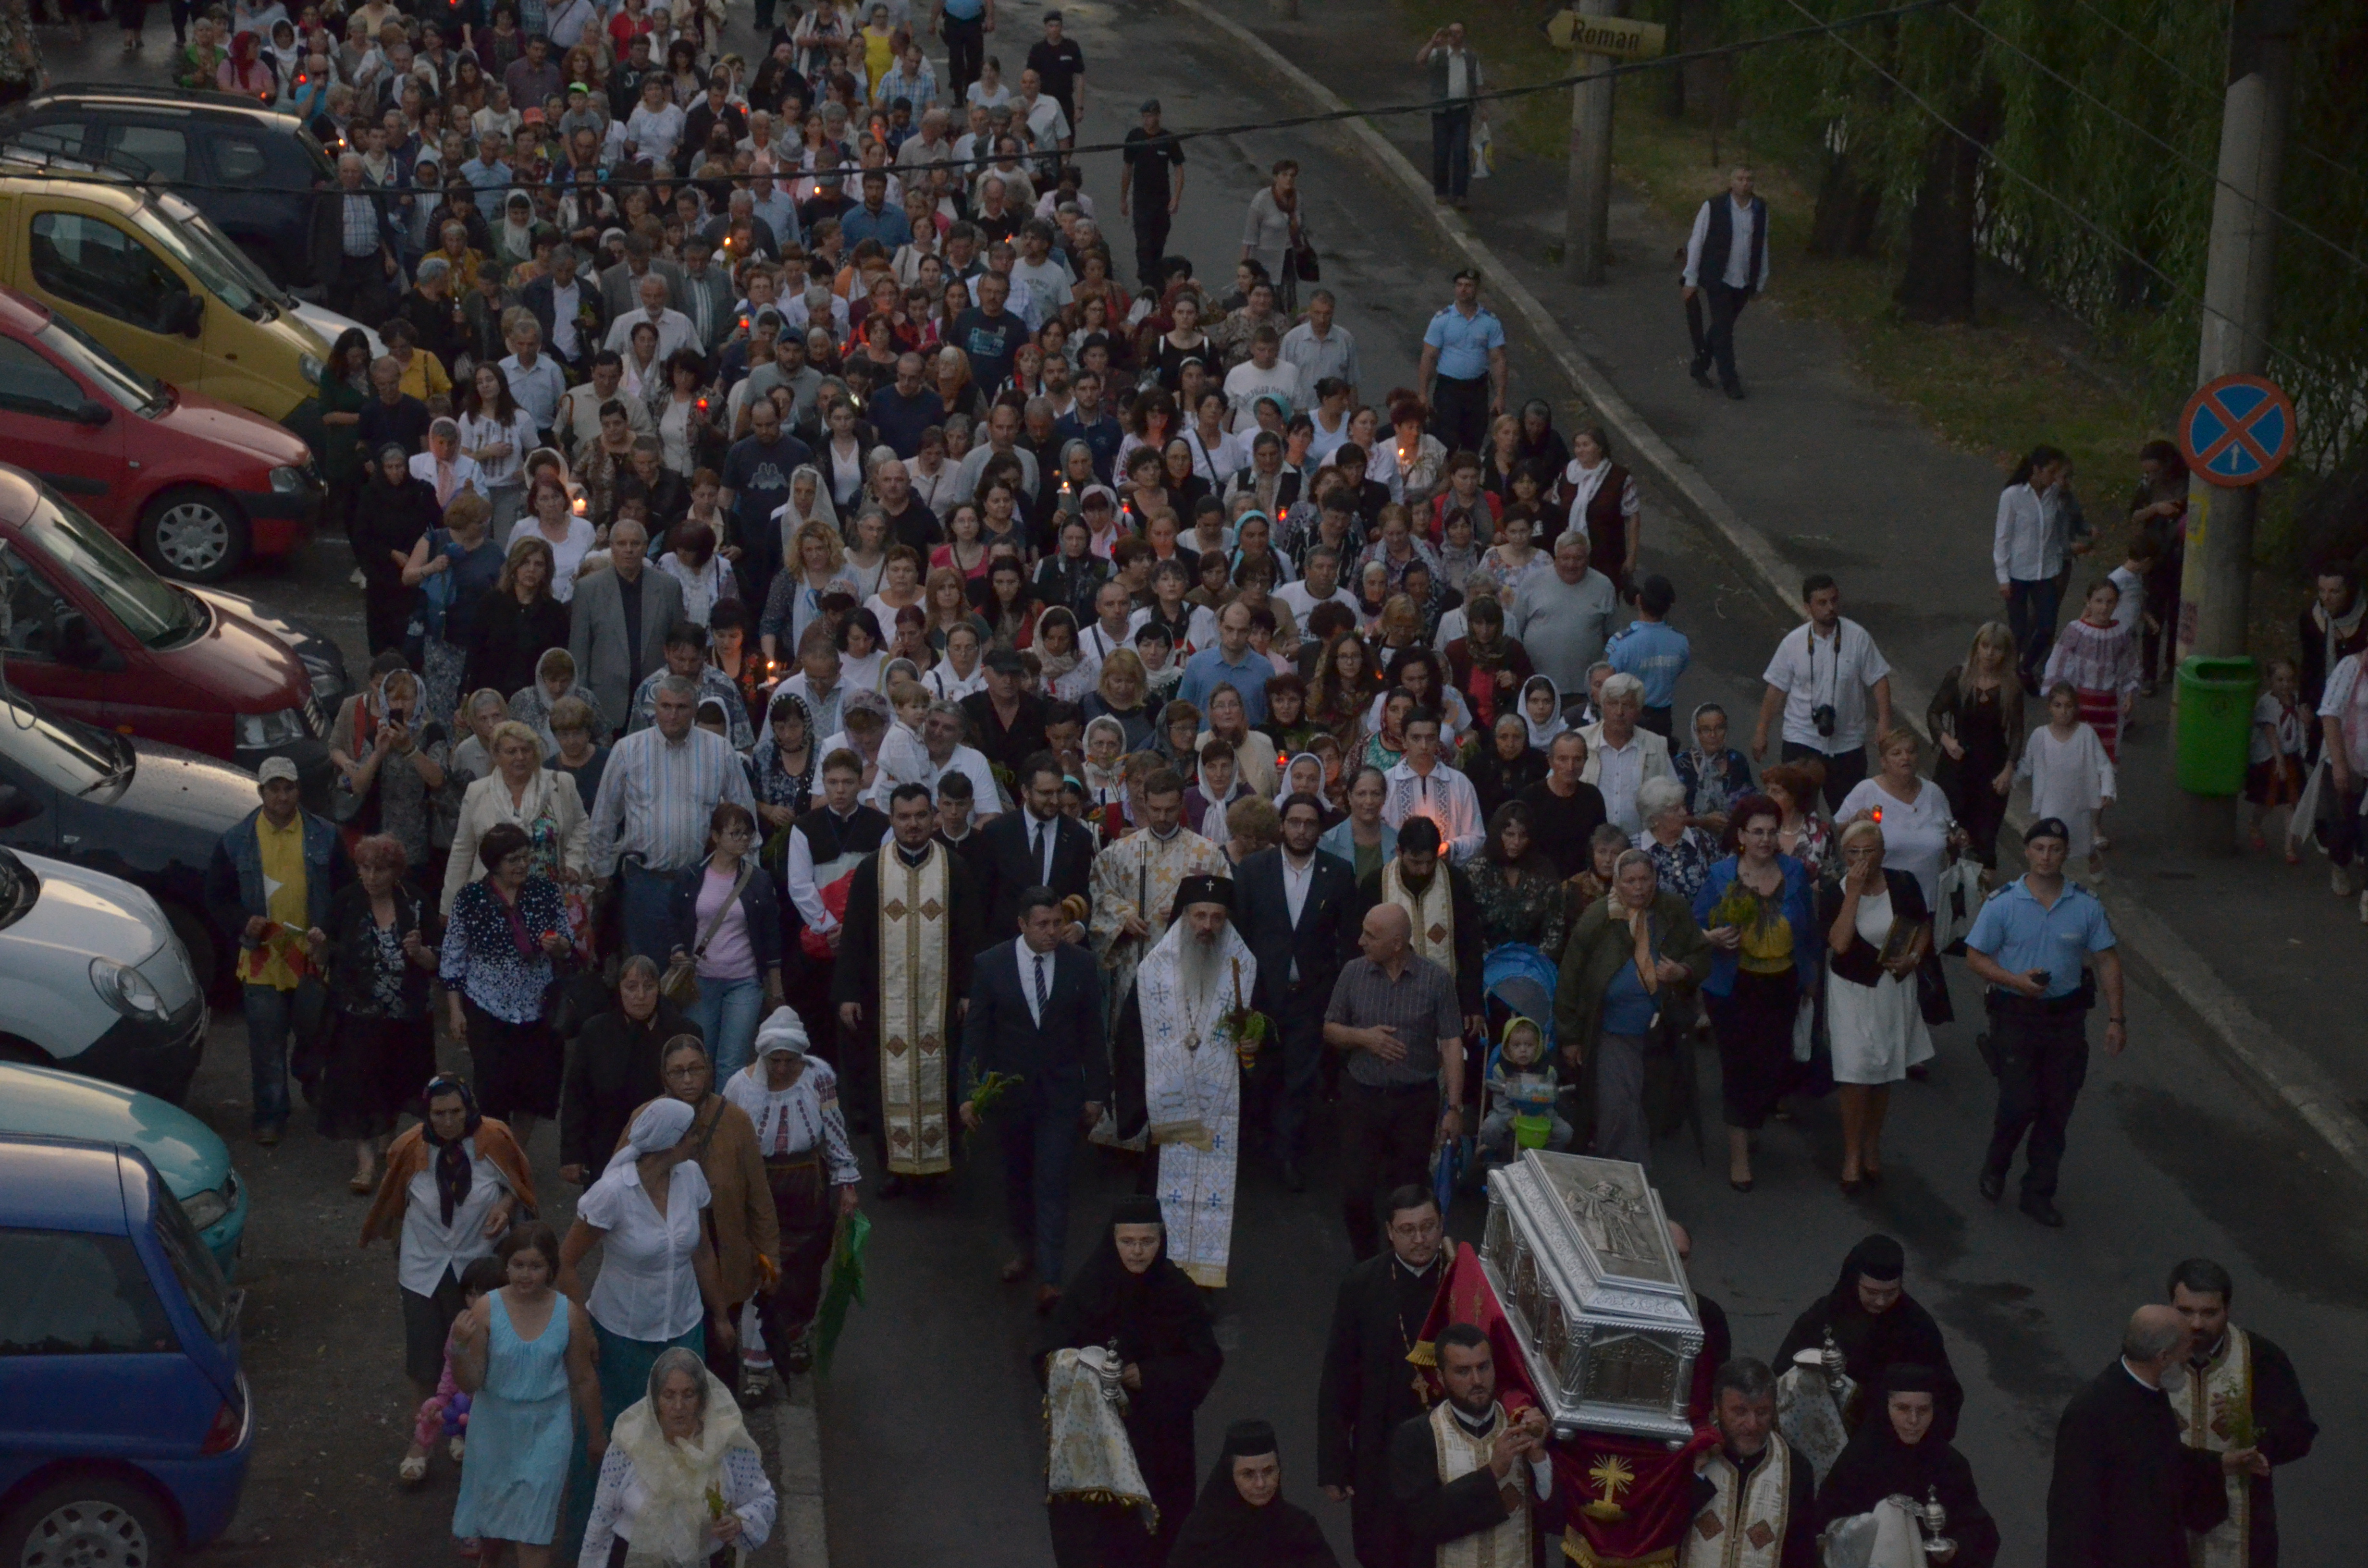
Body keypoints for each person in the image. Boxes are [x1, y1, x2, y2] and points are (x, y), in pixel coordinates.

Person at [557, 1097, 740, 1552]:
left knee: (681, 1438)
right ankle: (590, 1543)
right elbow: (564, 1263)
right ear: (669, 1144)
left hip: (682, 1329)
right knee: (611, 1444)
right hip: (622, 1335)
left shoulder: (690, 1178)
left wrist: (719, 1315)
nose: (699, 1140)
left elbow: (701, 1251)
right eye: (692, 1134)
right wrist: (585, 1327)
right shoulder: (612, 1192)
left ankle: (668, 1543)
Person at [359, 1076, 533, 1482]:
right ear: (427, 1114)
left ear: (469, 1107)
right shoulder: (410, 1147)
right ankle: (423, 1439)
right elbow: (393, 1199)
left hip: (476, 1267)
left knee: (475, 1355)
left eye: (457, 1111)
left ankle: (467, 1428)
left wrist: (505, 1209)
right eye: (440, 1114)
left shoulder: (495, 1140)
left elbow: (519, 1187)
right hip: (424, 1268)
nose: (450, 1122)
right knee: (423, 1360)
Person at [1037, 1197, 1224, 1567]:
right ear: (1113, 1241)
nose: (1137, 1252)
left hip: (1160, 1440)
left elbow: (1205, 1360)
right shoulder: (1090, 1286)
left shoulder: (1177, 1291)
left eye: (1147, 1242)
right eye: (1128, 1242)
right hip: (1099, 1441)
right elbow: (1047, 1354)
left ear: (1162, 1241)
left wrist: (1151, 1376)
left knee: (1158, 1537)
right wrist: (1086, 1368)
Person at [1964, 816, 2124, 1227]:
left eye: (2054, 849)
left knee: (2056, 1111)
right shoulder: (2003, 904)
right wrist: (2014, 980)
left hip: (2064, 1020)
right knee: (2018, 1105)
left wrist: (2116, 1018)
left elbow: (2106, 960)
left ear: (2065, 853)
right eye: (2039, 849)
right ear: (2027, 851)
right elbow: (1976, 957)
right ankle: (1996, 1166)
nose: (2046, 857)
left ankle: (2038, 1192)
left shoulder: (2085, 907)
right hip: (2016, 1016)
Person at [833, 784, 985, 1194]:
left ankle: (940, 1167)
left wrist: (970, 991)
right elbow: (854, 936)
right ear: (891, 819)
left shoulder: (953, 867)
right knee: (888, 1080)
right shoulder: (873, 870)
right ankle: (894, 1168)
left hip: (941, 1000)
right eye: (904, 817)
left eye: (920, 816)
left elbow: (970, 934)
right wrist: (848, 992)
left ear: (934, 817)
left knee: (944, 1074)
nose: (913, 825)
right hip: (886, 1002)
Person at [962, 885, 1107, 1309]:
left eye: (1057, 923)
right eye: (1042, 924)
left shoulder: (1080, 965)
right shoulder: (992, 965)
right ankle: (1025, 1248)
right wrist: (969, 1095)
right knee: (1018, 1179)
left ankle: (1051, 1275)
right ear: (1022, 925)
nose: (1051, 932)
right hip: (1011, 1096)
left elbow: (1093, 1035)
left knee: (1054, 1181)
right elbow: (976, 1036)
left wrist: (1097, 1093)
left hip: (1061, 1094)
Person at [1108, 875, 1257, 1287]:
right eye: (1199, 915)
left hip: (1217, 1115)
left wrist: (1252, 1046)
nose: (1206, 926)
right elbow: (1131, 1041)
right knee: (1156, 1199)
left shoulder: (1244, 969)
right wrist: (1143, 1104)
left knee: (1212, 1201)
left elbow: (1261, 1037)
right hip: (1167, 1116)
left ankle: (1201, 1280)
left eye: (1216, 917)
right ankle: (1155, 1276)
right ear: (1184, 917)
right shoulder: (1154, 970)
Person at [206, 756, 351, 1146]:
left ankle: (309, 1078)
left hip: (311, 962)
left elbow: (346, 892)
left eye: (288, 788)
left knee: (316, 1034)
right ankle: (270, 1114)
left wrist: (332, 934)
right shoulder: (236, 840)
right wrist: (242, 921)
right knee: (266, 1044)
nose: (281, 796)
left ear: (298, 791)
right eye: (274, 789)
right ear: (261, 792)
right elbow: (216, 898)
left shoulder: (325, 835)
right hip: (261, 963)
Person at [629, 1036, 780, 1398]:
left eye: (696, 1069)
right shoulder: (646, 1119)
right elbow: (621, 1186)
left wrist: (770, 1259)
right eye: (677, 1072)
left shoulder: (736, 1122)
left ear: (710, 1072)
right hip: (666, 1266)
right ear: (664, 1078)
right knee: (667, 1367)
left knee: (721, 1358)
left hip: (723, 1261)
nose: (688, 1080)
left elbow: (759, 1198)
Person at [447, 1224, 603, 1567]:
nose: (526, 1275)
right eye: (518, 1265)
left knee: (534, 1532)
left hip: (548, 1428)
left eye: (535, 1266)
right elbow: (470, 1382)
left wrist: (596, 1434)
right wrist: (458, 1346)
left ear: (550, 1269)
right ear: (506, 1266)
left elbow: (584, 1377)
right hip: (494, 1428)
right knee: (494, 1528)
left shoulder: (568, 1314)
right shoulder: (486, 1309)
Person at [723, 1009, 860, 1383]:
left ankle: (795, 1334)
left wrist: (846, 1183)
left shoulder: (820, 1078)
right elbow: (729, 1143)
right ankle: (757, 1368)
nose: (782, 1069)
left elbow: (834, 1130)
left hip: (807, 1191)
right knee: (763, 1273)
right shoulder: (740, 1086)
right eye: (775, 1061)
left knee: (803, 1272)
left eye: (790, 1061)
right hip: (762, 1191)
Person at [1234, 793, 1362, 1190]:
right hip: (1261, 995)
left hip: (1311, 995)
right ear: (1282, 825)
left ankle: (1288, 1157)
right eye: (1294, 822)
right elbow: (1239, 932)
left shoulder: (1338, 873)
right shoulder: (1255, 869)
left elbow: (1348, 937)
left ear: (1320, 829)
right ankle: (1258, 1149)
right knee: (1260, 1075)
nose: (1302, 830)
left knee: (1300, 1080)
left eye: (1309, 823)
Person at [1324, 900, 1466, 1258]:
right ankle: (1367, 1262)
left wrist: (1454, 1107)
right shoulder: (1353, 974)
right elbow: (1329, 1029)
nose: (1360, 941)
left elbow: (1451, 1043)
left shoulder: (1436, 980)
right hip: (1362, 1097)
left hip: (1414, 1102)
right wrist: (1364, 1038)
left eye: (1371, 936)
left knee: (1408, 1193)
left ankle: (1403, 1262)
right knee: (1355, 1194)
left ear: (1398, 943)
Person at [1554, 847, 1711, 1168]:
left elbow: (1701, 954)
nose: (1639, 888)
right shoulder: (1598, 919)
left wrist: (1682, 972)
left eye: (1645, 879)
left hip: (1660, 1031)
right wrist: (1570, 1037)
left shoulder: (1673, 910)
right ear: (1617, 883)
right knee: (1617, 1106)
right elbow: (1570, 978)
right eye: (1631, 881)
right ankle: (1623, 1175)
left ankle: (1631, 1172)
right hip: (1611, 1029)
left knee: (1650, 1107)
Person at [1317, 1186, 1445, 1568]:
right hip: (1380, 1443)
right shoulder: (1362, 1284)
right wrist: (1334, 1464)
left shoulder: (1460, 1280)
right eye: (1408, 1230)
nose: (1420, 1239)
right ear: (1389, 1232)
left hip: (1445, 1446)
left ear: (1442, 1226)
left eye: (1428, 1227)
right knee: (1381, 1549)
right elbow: (1338, 1376)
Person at [588, 674, 758, 964]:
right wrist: (602, 878)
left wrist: (750, 873)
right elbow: (604, 818)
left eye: (681, 707)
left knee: (700, 968)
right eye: (665, 706)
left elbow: (745, 813)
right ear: (655, 709)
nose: (672, 715)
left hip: (702, 881)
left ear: (694, 710)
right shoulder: (628, 751)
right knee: (647, 967)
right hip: (645, 883)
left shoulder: (719, 751)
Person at [1692, 795, 1815, 1192]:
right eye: (1757, 832)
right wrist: (1711, 937)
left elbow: (1809, 932)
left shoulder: (1795, 873)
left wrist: (1810, 976)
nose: (1765, 839)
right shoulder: (1720, 876)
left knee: (1772, 1064)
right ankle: (1739, 1157)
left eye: (1771, 832)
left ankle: (1749, 1120)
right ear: (1741, 836)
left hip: (1781, 984)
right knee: (1739, 1068)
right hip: (1734, 986)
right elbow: (1692, 927)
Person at [2047, 1305, 2230, 1568]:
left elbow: (2157, 1460)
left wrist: (2221, 1463)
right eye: (2186, 1349)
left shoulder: (2153, 1393)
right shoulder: (2091, 1412)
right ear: (2163, 1357)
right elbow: (2073, 1512)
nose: (2190, 1357)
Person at [2165, 1258, 2317, 1568]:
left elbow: (2300, 1435)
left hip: (2241, 1524)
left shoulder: (2262, 1359)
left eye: (2209, 1313)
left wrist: (2254, 1426)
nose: (2196, 1324)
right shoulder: (2150, 1354)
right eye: (2186, 1311)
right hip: (2163, 1518)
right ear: (2171, 1306)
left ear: (2228, 1309)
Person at [314, 833, 440, 1195]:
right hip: (357, 1010)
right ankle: (366, 1164)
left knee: (398, 1082)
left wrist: (418, 954)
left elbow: (437, 961)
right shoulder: (347, 901)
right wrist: (319, 947)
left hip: (407, 1013)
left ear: (396, 871)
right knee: (358, 1084)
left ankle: (389, 1139)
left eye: (380, 870)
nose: (371, 877)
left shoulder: (415, 902)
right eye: (364, 868)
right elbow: (324, 960)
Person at [581, 1347, 777, 1566]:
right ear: (655, 1400)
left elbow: (764, 1501)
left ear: (702, 1399)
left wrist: (740, 1522)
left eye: (688, 1395)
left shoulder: (728, 1448)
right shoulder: (628, 1447)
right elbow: (601, 1521)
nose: (678, 1407)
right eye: (669, 1395)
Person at [442, 823, 572, 1142]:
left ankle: (517, 1151)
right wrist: (455, 1010)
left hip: (537, 1007)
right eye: (514, 859)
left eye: (527, 857)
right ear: (494, 863)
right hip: (487, 1007)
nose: (523, 865)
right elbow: (453, 957)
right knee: (493, 1087)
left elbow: (568, 939)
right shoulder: (471, 898)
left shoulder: (546, 892)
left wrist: (560, 946)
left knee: (535, 1086)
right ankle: (495, 1150)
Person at [1819, 820, 1930, 1189]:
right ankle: (1851, 1152)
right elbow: (1839, 944)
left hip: (1892, 987)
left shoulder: (1903, 884)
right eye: (1854, 852)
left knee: (1883, 1070)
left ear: (1883, 852)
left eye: (1870, 851)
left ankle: (1871, 1146)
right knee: (1855, 1073)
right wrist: (1852, 893)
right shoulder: (1836, 891)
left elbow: (1922, 926)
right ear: (1844, 856)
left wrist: (1913, 957)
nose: (1863, 859)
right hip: (1851, 989)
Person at [1388, 1322, 1554, 1566]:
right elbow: (1420, 1524)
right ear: (1441, 1378)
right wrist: (1492, 1473)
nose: (1477, 1381)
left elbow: (1557, 1522)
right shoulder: (1416, 1436)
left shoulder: (1522, 1424)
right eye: (1463, 1372)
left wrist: (1540, 1459)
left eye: (1484, 1367)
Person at [1089, 766, 1232, 1035]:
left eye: (1170, 809)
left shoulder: (1208, 853)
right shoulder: (1121, 852)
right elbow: (1101, 893)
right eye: (1155, 809)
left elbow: (1227, 903)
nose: (1163, 817)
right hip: (1136, 960)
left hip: (1190, 965)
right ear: (1143, 802)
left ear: (1181, 803)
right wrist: (1123, 916)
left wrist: (1192, 912)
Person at [1774, 1235, 1961, 1437]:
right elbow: (1783, 1373)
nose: (1881, 1302)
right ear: (1855, 1283)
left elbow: (1945, 1393)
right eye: (1872, 1292)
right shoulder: (1826, 1316)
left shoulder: (1917, 1327)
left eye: (1891, 1293)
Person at [1814, 1363, 1999, 1568]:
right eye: (1903, 1409)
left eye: (1923, 1410)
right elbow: (1825, 1524)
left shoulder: (1950, 1465)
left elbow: (1977, 1529)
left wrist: (1954, 1548)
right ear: (1886, 1408)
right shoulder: (1859, 1461)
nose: (1913, 1420)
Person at [1752, 574, 1894, 813]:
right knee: (1796, 810)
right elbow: (1776, 689)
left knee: (1851, 814)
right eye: (1822, 603)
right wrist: (1761, 732)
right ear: (1807, 607)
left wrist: (1885, 723)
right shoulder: (1793, 643)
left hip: (1847, 741)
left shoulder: (1858, 637)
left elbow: (1879, 680)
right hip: (1802, 737)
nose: (1831, 608)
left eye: (1834, 601)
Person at [667, 803, 785, 1078]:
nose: (743, 840)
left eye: (748, 835)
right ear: (716, 837)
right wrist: (678, 950)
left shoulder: (759, 880)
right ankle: (697, 1116)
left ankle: (723, 1120)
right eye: (735, 834)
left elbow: (771, 936)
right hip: (700, 980)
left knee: (732, 1062)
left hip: (744, 981)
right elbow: (674, 918)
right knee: (699, 1057)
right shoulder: (692, 876)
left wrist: (776, 989)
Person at [559, 957, 697, 1186]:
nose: (640, 996)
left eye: (649, 987)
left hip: (667, 1152)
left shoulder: (683, 1033)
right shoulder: (595, 1032)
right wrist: (572, 1155)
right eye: (632, 987)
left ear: (659, 989)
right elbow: (577, 1096)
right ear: (620, 990)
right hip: (606, 1147)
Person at [443, 719, 592, 918]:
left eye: (526, 750)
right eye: (511, 752)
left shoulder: (560, 784)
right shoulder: (478, 792)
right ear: (496, 755)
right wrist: (449, 905)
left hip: (552, 899)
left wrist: (573, 863)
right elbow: (462, 850)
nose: (520, 757)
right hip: (494, 903)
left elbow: (583, 826)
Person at [1680, 1359, 1814, 1568]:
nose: (1752, 1425)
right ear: (1717, 1408)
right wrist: (1696, 1477)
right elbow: (1662, 1532)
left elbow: (1801, 1556)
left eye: (1762, 1412)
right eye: (1740, 1412)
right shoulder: (1690, 1456)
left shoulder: (1795, 1469)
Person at [569, 517, 689, 729]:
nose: (629, 550)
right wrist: (581, 703)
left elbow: (679, 645)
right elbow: (579, 653)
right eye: (622, 544)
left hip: (657, 701)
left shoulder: (669, 588)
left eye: (635, 544)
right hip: (605, 702)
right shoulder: (588, 589)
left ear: (645, 548)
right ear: (611, 548)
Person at [1172, 1418, 1339, 1568]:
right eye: (1248, 1474)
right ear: (1229, 1477)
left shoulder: (1299, 1528)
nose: (1261, 1484)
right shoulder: (1201, 1533)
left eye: (1269, 1471)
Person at [1929, 624, 2023, 875]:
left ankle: (1982, 894)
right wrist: (1947, 741)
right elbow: (1934, 712)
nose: (1990, 654)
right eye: (1985, 647)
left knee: (1985, 834)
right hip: (1957, 764)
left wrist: (2009, 769)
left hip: (1991, 765)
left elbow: (2016, 732)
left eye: (1997, 648)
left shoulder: (2011, 687)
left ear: (2006, 653)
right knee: (1950, 829)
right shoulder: (1960, 678)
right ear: (1976, 647)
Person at [1682, 166, 1769, 400]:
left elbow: (1762, 245)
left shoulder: (1759, 210)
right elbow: (1697, 241)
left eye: (1749, 179)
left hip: (1743, 281)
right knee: (1724, 329)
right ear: (1731, 182)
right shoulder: (1714, 207)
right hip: (1718, 278)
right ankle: (1730, 380)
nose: (1745, 184)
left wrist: (1760, 280)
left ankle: (1699, 366)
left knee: (1722, 327)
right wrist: (1690, 278)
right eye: (1740, 179)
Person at [1508, 531, 1619, 710]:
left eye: (1578, 558)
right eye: (1565, 558)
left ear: (1588, 558)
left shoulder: (1604, 586)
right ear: (1555, 557)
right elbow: (1515, 631)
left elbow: (1613, 637)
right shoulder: (1532, 582)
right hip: (1537, 688)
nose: (1571, 564)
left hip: (1584, 690)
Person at [1994, 445, 2072, 694]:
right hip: (2018, 572)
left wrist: (2062, 557)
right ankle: (2005, 673)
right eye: (2051, 472)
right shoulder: (2013, 496)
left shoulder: (2055, 495)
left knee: (2047, 626)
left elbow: (2058, 530)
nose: (2054, 478)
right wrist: (2003, 576)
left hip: (2046, 572)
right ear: (2036, 470)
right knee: (2017, 631)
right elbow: (2003, 537)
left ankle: (2025, 667)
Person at [1415, 269, 1505, 460]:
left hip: (1477, 390)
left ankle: (1469, 480)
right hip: (1449, 389)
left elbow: (1498, 359)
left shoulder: (1490, 322)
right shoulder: (1442, 320)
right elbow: (1429, 357)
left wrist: (1500, 395)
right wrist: (1423, 394)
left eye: (1469, 286)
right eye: (1460, 285)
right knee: (1445, 439)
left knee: (1474, 438)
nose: (1464, 290)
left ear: (1477, 290)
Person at [1118, 98, 1186, 289]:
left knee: (1158, 242)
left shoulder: (1168, 139)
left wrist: (1176, 197)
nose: (1148, 120)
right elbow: (1127, 168)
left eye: (1151, 116)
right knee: (1144, 243)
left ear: (1158, 116)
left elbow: (1179, 169)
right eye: (1145, 117)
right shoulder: (1135, 137)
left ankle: (1156, 279)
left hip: (1161, 200)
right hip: (1141, 200)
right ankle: (1146, 280)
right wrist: (1123, 198)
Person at [1415, 23, 1482, 209]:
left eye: (1458, 32)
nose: (1454, 35)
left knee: (1461, 154)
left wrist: (1483, 108)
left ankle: (1461, 194)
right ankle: (1442, 192)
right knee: (1442, 153)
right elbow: (1420, 61)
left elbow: (1478, 84)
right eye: (1451, 32)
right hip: (1442, 112)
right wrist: (1432, 43)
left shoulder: (1470, 58)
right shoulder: (1439, 54)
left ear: (1463, 36)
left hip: (1462, 112)